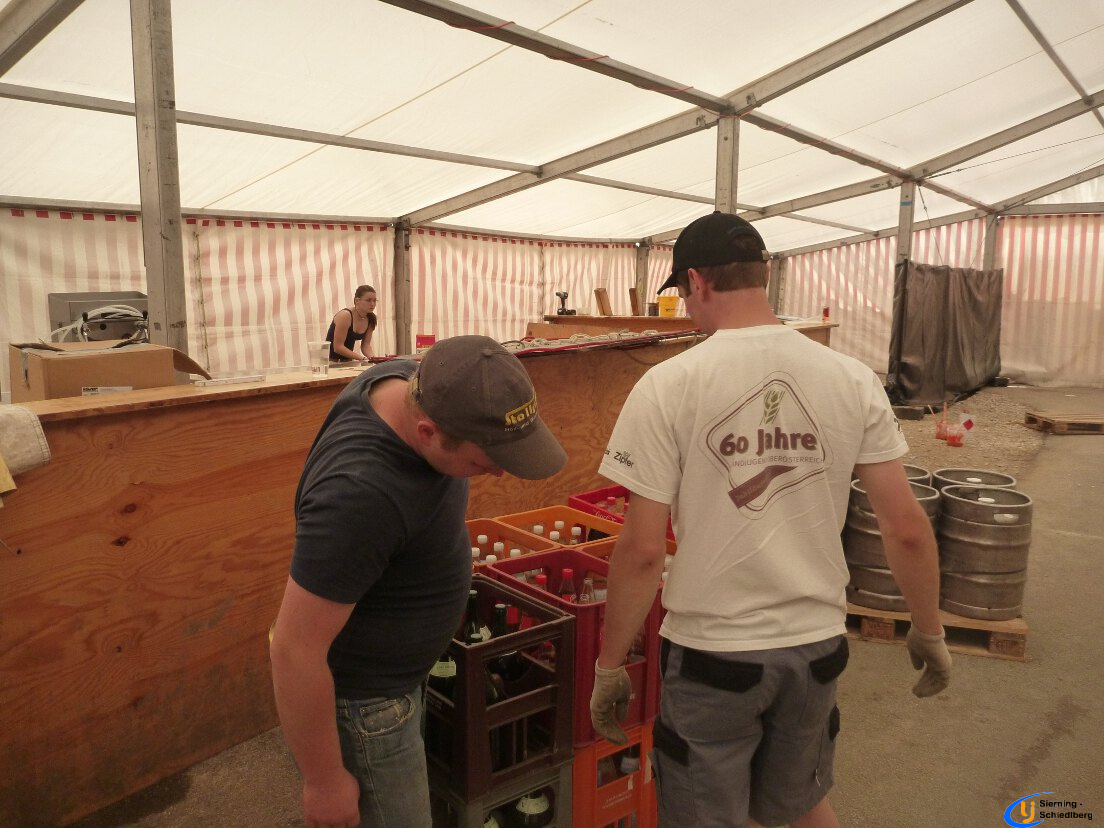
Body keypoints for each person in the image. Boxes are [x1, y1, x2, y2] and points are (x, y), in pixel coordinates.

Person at [589, 212, 951, 828]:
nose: (688, 308)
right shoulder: (851, 378)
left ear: (697, 280)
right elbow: (907, 527)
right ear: (762, 275)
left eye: (683, 293)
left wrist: (608, 663)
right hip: (815, 648)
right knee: (800, 801)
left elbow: (644, 551)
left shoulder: (667, 385)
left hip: (714, 653)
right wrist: (929, 629)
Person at [270, 335, 567, 828]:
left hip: (400, 680)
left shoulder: (408, 382)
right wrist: (324, 782)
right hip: (368, 709)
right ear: (428, 432)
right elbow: (293, 650)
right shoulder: (359, 494)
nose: (497, 472)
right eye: (482, 462)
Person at [327, 285, 378, 361]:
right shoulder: (345, 316)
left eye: (375, 300)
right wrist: (363, 358)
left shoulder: (371, 318)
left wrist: (373, 359)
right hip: (330, 361)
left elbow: (366, 345)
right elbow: (338, 347)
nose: (372, 304)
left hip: (348, 361)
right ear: (357, 301)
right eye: (368, 300)